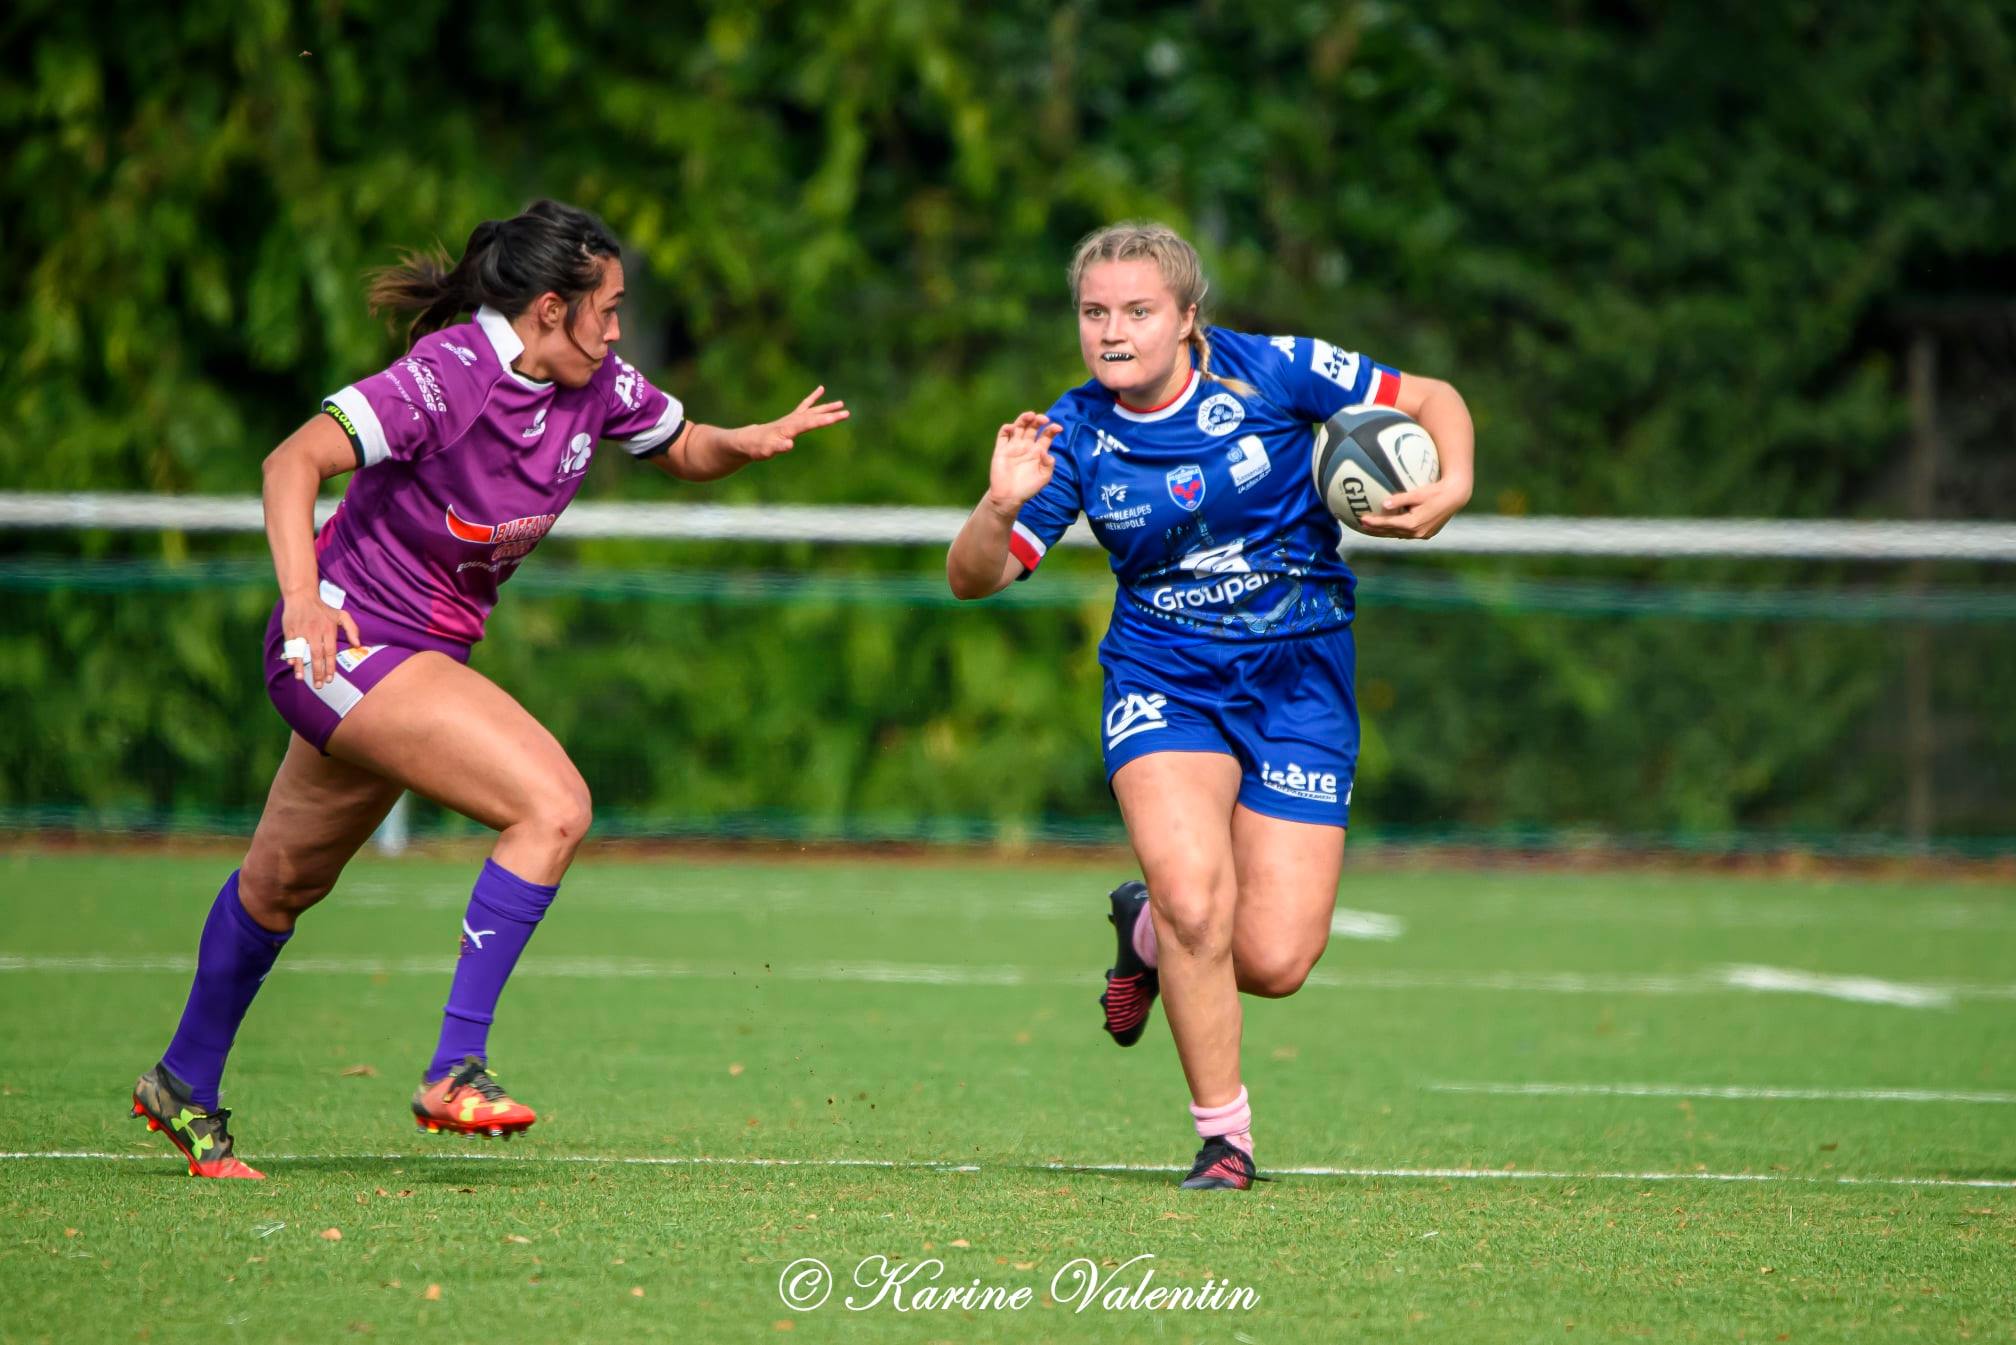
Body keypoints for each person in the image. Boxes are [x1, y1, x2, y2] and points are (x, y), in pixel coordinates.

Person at [131, 199, 848, 1178]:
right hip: (346, 643)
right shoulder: (449, 377)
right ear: (551, 308)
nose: (619, 326)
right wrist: (302, 602)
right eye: (609, 308)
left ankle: (181, 1082)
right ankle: (453, 1066)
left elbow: (682, 446)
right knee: (552, 806)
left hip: (412, 658)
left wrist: (747, 439)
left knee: (282, 882)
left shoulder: (593, 384)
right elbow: (290, 460)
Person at [946, 222, 1473, 1189]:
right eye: (1094, 312)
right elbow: (972, 580)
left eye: (1138, 311)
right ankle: (1225, 1139)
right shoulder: (1073, 434)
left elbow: (1434, 399)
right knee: (1201, 901)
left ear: (1190, 318)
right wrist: (997, 506)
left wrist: (1457, 483)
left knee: (1272, 958)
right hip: (1165, 679)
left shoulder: (1272, 370)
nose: (1112, 331)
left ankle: (1141, 930)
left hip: (1301, 679)